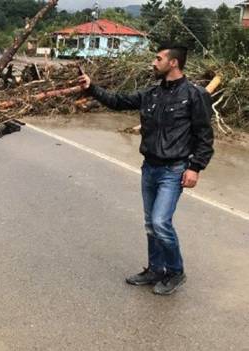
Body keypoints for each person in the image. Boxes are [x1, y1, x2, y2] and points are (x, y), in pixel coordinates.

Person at [78, 45, 214, 296]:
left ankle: (175, 271)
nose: (154, 62)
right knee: (151, 224)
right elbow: (119, 102)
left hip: (174, 169)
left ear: (173, 63)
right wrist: (91, 87)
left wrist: (195, 167)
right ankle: (155, 269)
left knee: (161, 222)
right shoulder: (151, 93)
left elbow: (204, 136)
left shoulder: (194, 95)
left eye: (158, 58)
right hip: (149, 167)